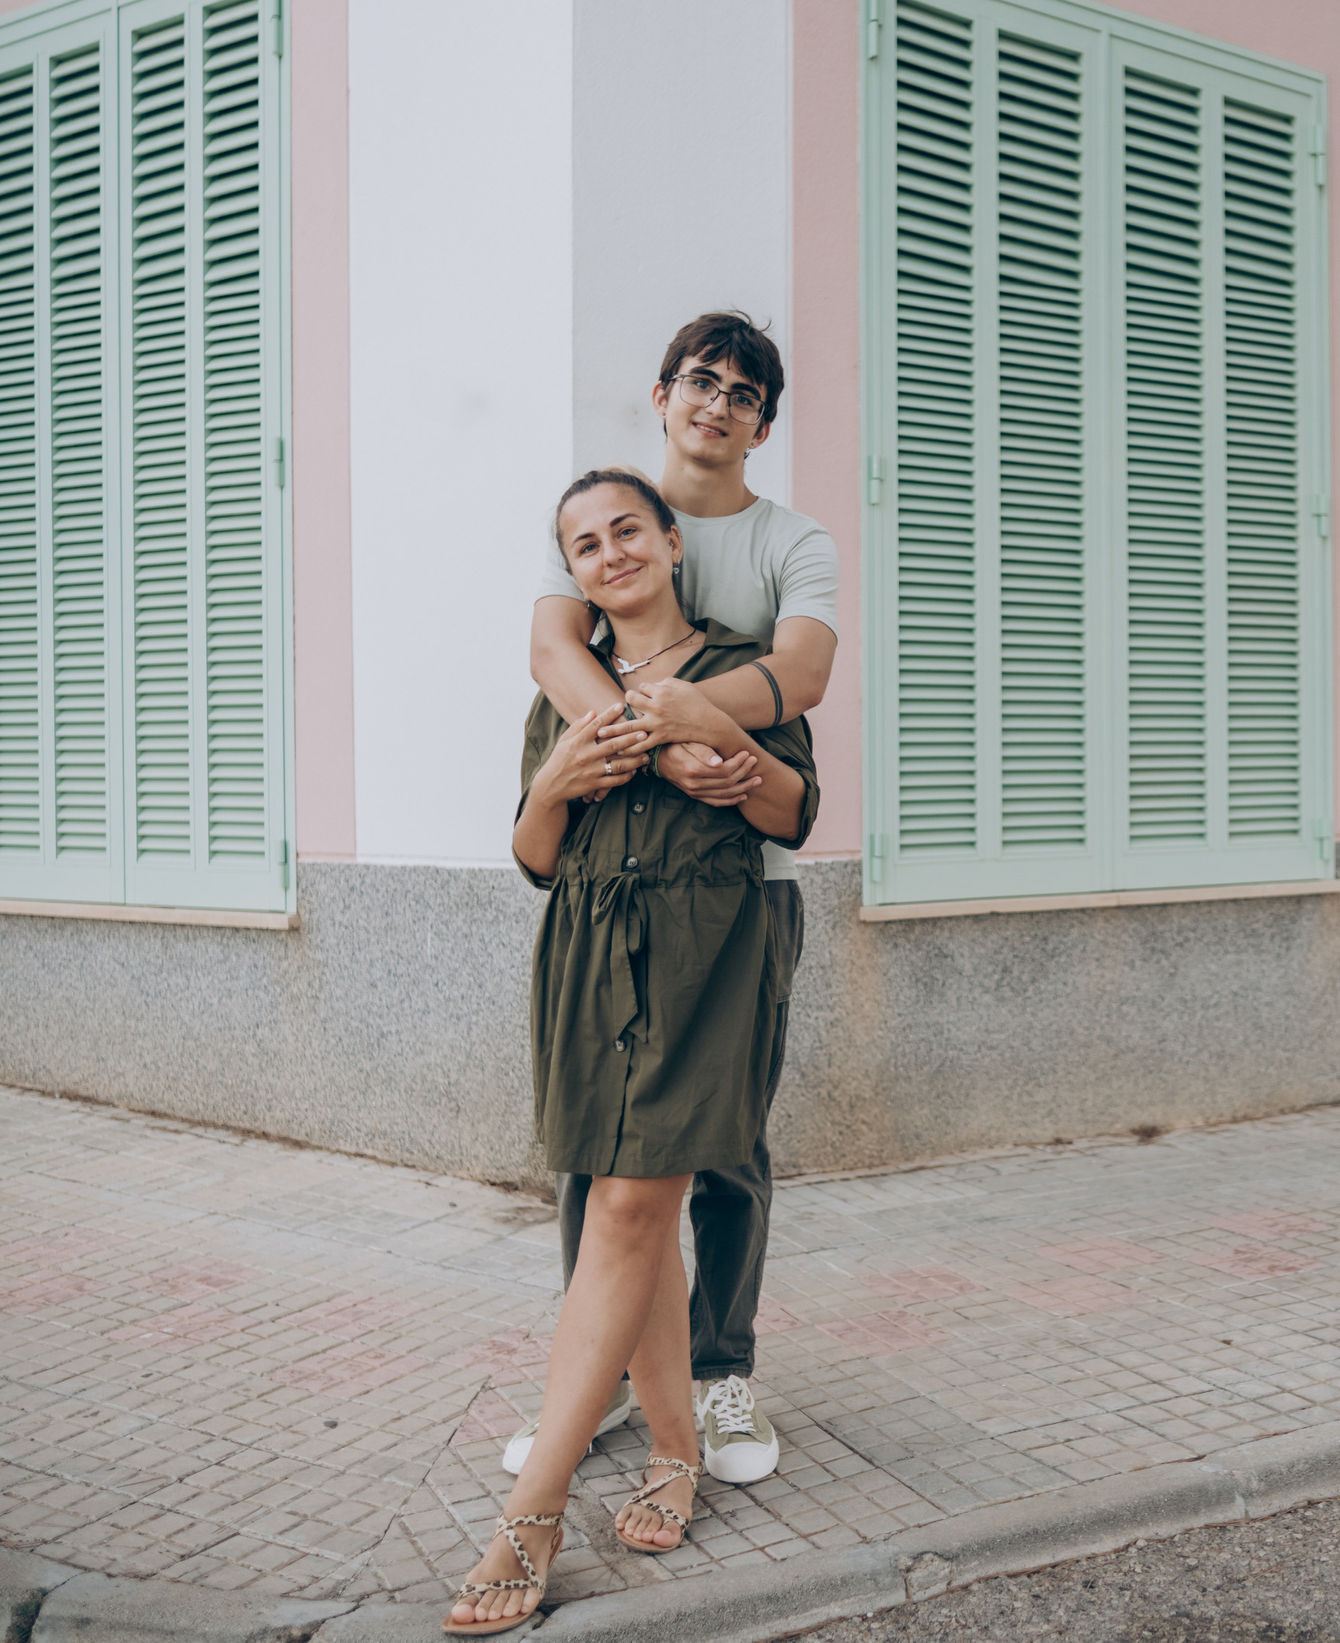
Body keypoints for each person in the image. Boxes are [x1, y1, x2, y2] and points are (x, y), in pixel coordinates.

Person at [446, 467, 819, 1634]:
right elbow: (536, 851)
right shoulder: (570, 686)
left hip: (707, 961)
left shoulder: (736, 665)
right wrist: (555, 776)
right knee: (628, 1212)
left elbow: (794, 811)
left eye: (626, 531)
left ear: (668, 541)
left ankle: (532, 1508)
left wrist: (736, 759)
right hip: (584, 958)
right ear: (576, 569)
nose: (609, 553)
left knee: (625, 1209)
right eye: (584, 543)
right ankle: (670, 1448)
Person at [507, 311, 838, 1490]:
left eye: (745, 391)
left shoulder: (788, 541)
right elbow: (555, 654)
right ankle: (596, 1379)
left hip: (738, 889)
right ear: (661, 394)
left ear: (762, 419)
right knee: (599, 1162)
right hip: (610, 887)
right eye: (701, 379)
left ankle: (718, 1370)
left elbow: (797, 678)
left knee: (723, 1145)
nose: (719, 401)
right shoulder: (606, 509)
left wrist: (712, 728)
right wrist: (654, 741)